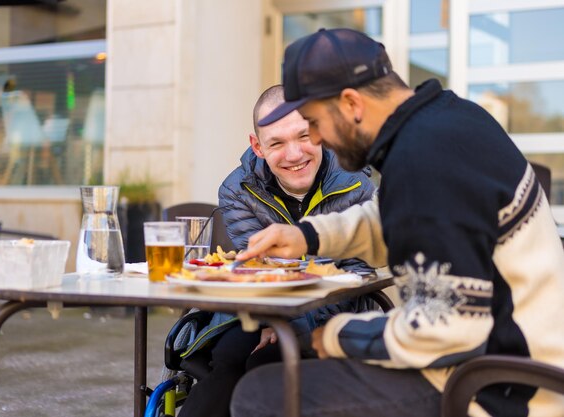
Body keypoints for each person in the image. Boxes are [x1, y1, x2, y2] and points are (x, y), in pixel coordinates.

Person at [231, 28, 564, 417]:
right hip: (507, 356)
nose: (316, 139)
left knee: (261, 394)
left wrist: (338, 336)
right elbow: (394, 218)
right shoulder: (448, 120)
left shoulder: (423, 159)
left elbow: (446, 329)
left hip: (499, 386)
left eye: (314, 123)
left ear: (351, 103)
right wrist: (305, 236)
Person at [177, 84, 377, 417]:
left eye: (303, 136)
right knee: (229, 357)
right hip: (254, 312)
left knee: (264, 360)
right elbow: (259, 270)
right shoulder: (237, 190)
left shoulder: (356, 184)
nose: (295, 155)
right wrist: (272, 321)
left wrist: (292, 328)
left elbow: (355, 278)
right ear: (257, 146)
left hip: (331, 316)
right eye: (277, 143)